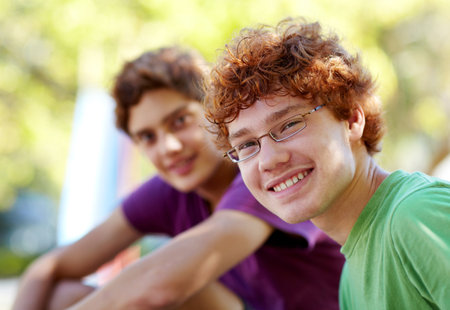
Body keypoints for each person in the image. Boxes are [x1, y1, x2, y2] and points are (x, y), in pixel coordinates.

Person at [13, 46, 344, 310]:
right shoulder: (169, 192)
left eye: (180, 121)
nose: (168, 147)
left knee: (160, 284)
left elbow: (159, 289)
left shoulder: (262, 173)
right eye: (147, 137)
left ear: (215, 115)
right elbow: (49, 267)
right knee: (60, 296)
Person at [204, 17, 450, 310]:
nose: (268, 160)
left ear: (352, 119)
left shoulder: (416, 217)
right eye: (246, 145)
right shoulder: (351, 275)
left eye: (289, 125)